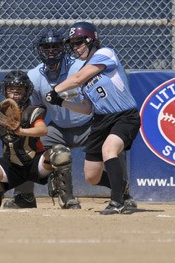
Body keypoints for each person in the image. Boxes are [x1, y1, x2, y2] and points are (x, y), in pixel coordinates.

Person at [3, 29, 136, 210]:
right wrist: (23, 127)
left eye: (56, 47)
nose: (51, 51)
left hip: (89, 125)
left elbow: (80, 84)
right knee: (24, 141)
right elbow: (34, 109)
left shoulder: (81, 65)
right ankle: (24, 195)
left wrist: (55, 91)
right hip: (58, 128)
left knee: (112, 144)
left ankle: (122, 194)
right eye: (46, 47)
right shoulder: (34, 75)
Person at [46, 22, 141, 215]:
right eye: (72, 44)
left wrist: (55, 90)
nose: (75, 48)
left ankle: (117, 202)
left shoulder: (105, 54)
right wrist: (60, 102)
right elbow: (87, 108)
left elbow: (77, 79)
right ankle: (121, 187)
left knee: (109, 149)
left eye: (79, 42)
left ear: (92, 40)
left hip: (124, 116)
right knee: (92, 176)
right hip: (100, 121)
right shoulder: (83, 73)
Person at [0, 70, 74, 209]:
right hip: (11, 166)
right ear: (5, 92)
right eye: (11, 90)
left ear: (27, 92)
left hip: (35, 164)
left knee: (61, 154)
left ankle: (67, 199)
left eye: (19, 90)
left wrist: (21, 131)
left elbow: (43, 130)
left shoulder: (32, 111)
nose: (15, 94)